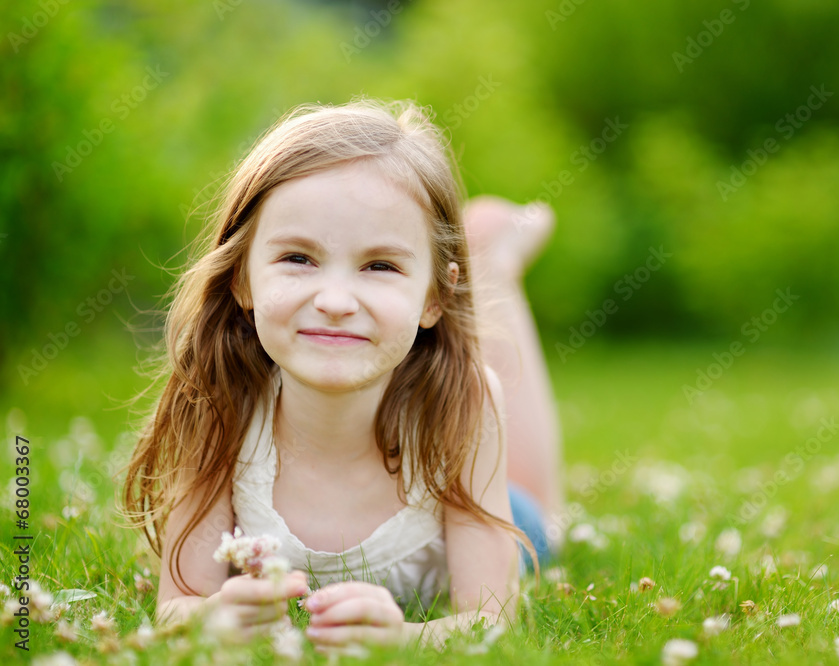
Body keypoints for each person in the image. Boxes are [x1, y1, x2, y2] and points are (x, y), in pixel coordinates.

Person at [122, 98, 562, 648]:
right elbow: (177, 605)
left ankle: (495, 262)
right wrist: (208, 617)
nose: (334, 300)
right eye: (298, 259)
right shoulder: (219, 402)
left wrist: (405, 637)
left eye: (380, 266)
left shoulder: (465, 405)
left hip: (481, 497)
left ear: (434, 298)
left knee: (539, 515)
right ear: (241, 279)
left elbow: (490, 617)